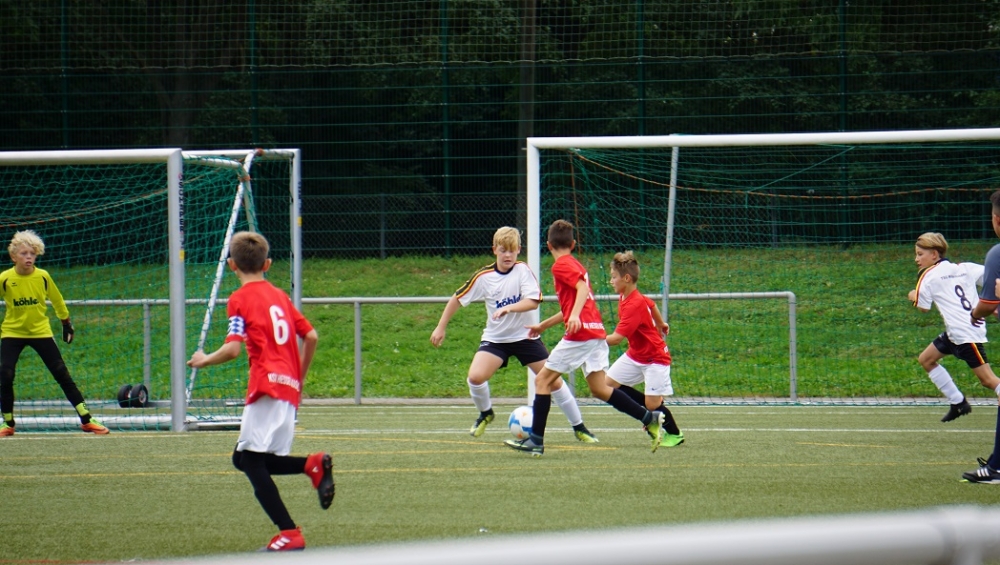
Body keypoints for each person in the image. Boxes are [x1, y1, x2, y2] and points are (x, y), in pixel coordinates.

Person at [187, 231, 334, 550]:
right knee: (243, 458)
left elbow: (233, 349)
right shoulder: (280, 296)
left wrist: (203, 359)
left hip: (266, 385)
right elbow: (311, 336)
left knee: (252, 462)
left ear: (231, 265)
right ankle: (311, 465)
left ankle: (289, 532)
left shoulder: (239, 299)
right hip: (288, 388)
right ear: (267, 264)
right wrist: (299, 378)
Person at [505, 219, 664, 456]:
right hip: (596, 332)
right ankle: (648, 418)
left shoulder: (560, 266)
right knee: (600, 389)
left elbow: (581, 291)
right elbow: (574, 302)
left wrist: (575, 316)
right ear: (573, 244)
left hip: (581, 335)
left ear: (548, 245)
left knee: (543, 381)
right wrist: (544, 325)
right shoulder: (575, 264)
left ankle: (535, 440)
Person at [430, 226, 598, 442]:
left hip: (526, 337)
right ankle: (486, 413)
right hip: (496, 340)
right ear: (494, 250)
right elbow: (457, 298)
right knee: (475, 377)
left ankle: (579, 427)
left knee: (554, 382)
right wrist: (441, 326)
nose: (508, 255)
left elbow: (533, 301)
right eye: (503, 250)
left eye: (512, 250)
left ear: (519, 250)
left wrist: (510, 308)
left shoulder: (522, 271)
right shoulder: (484, 277)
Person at [0, 230, 108, 436]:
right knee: (5, 374)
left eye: (32, 253)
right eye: (24, 253)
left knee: (61, 373)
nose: (29, 257)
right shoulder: (5, 278)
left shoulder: (43, 276)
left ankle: (87, 419)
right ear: (13, 256)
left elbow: (57, 300)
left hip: (40, 332)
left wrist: (66, 323)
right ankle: (7, 423)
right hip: (12, 333)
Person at [907, 232, 1000, 423]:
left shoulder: (927, 275)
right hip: (956, 332)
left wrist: (912, 294)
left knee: (988, 381)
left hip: (965, 334)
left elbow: (923, 307)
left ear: (934, 254)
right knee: (926, 359)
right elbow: (991, 279)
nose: (916, 259)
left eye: (920, 254)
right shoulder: (964, 268)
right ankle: (958, 402)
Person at [605, 251, 684, 447]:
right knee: (608, 384)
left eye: (614, 277)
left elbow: (616, 339)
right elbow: (651, 304)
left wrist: (591, 339)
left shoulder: (634, 305)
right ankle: (650, 415)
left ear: (626, 278)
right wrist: (661, 323)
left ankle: (675, 434)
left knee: (652, 404)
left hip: (655, 358)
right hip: (636, 355)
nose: (611, 281)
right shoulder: (627, 296)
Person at [964, 190, 1000, 484]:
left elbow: (988, 303)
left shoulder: (997, 254)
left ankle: (996, 467)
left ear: (997, 220)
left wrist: (976, 314)